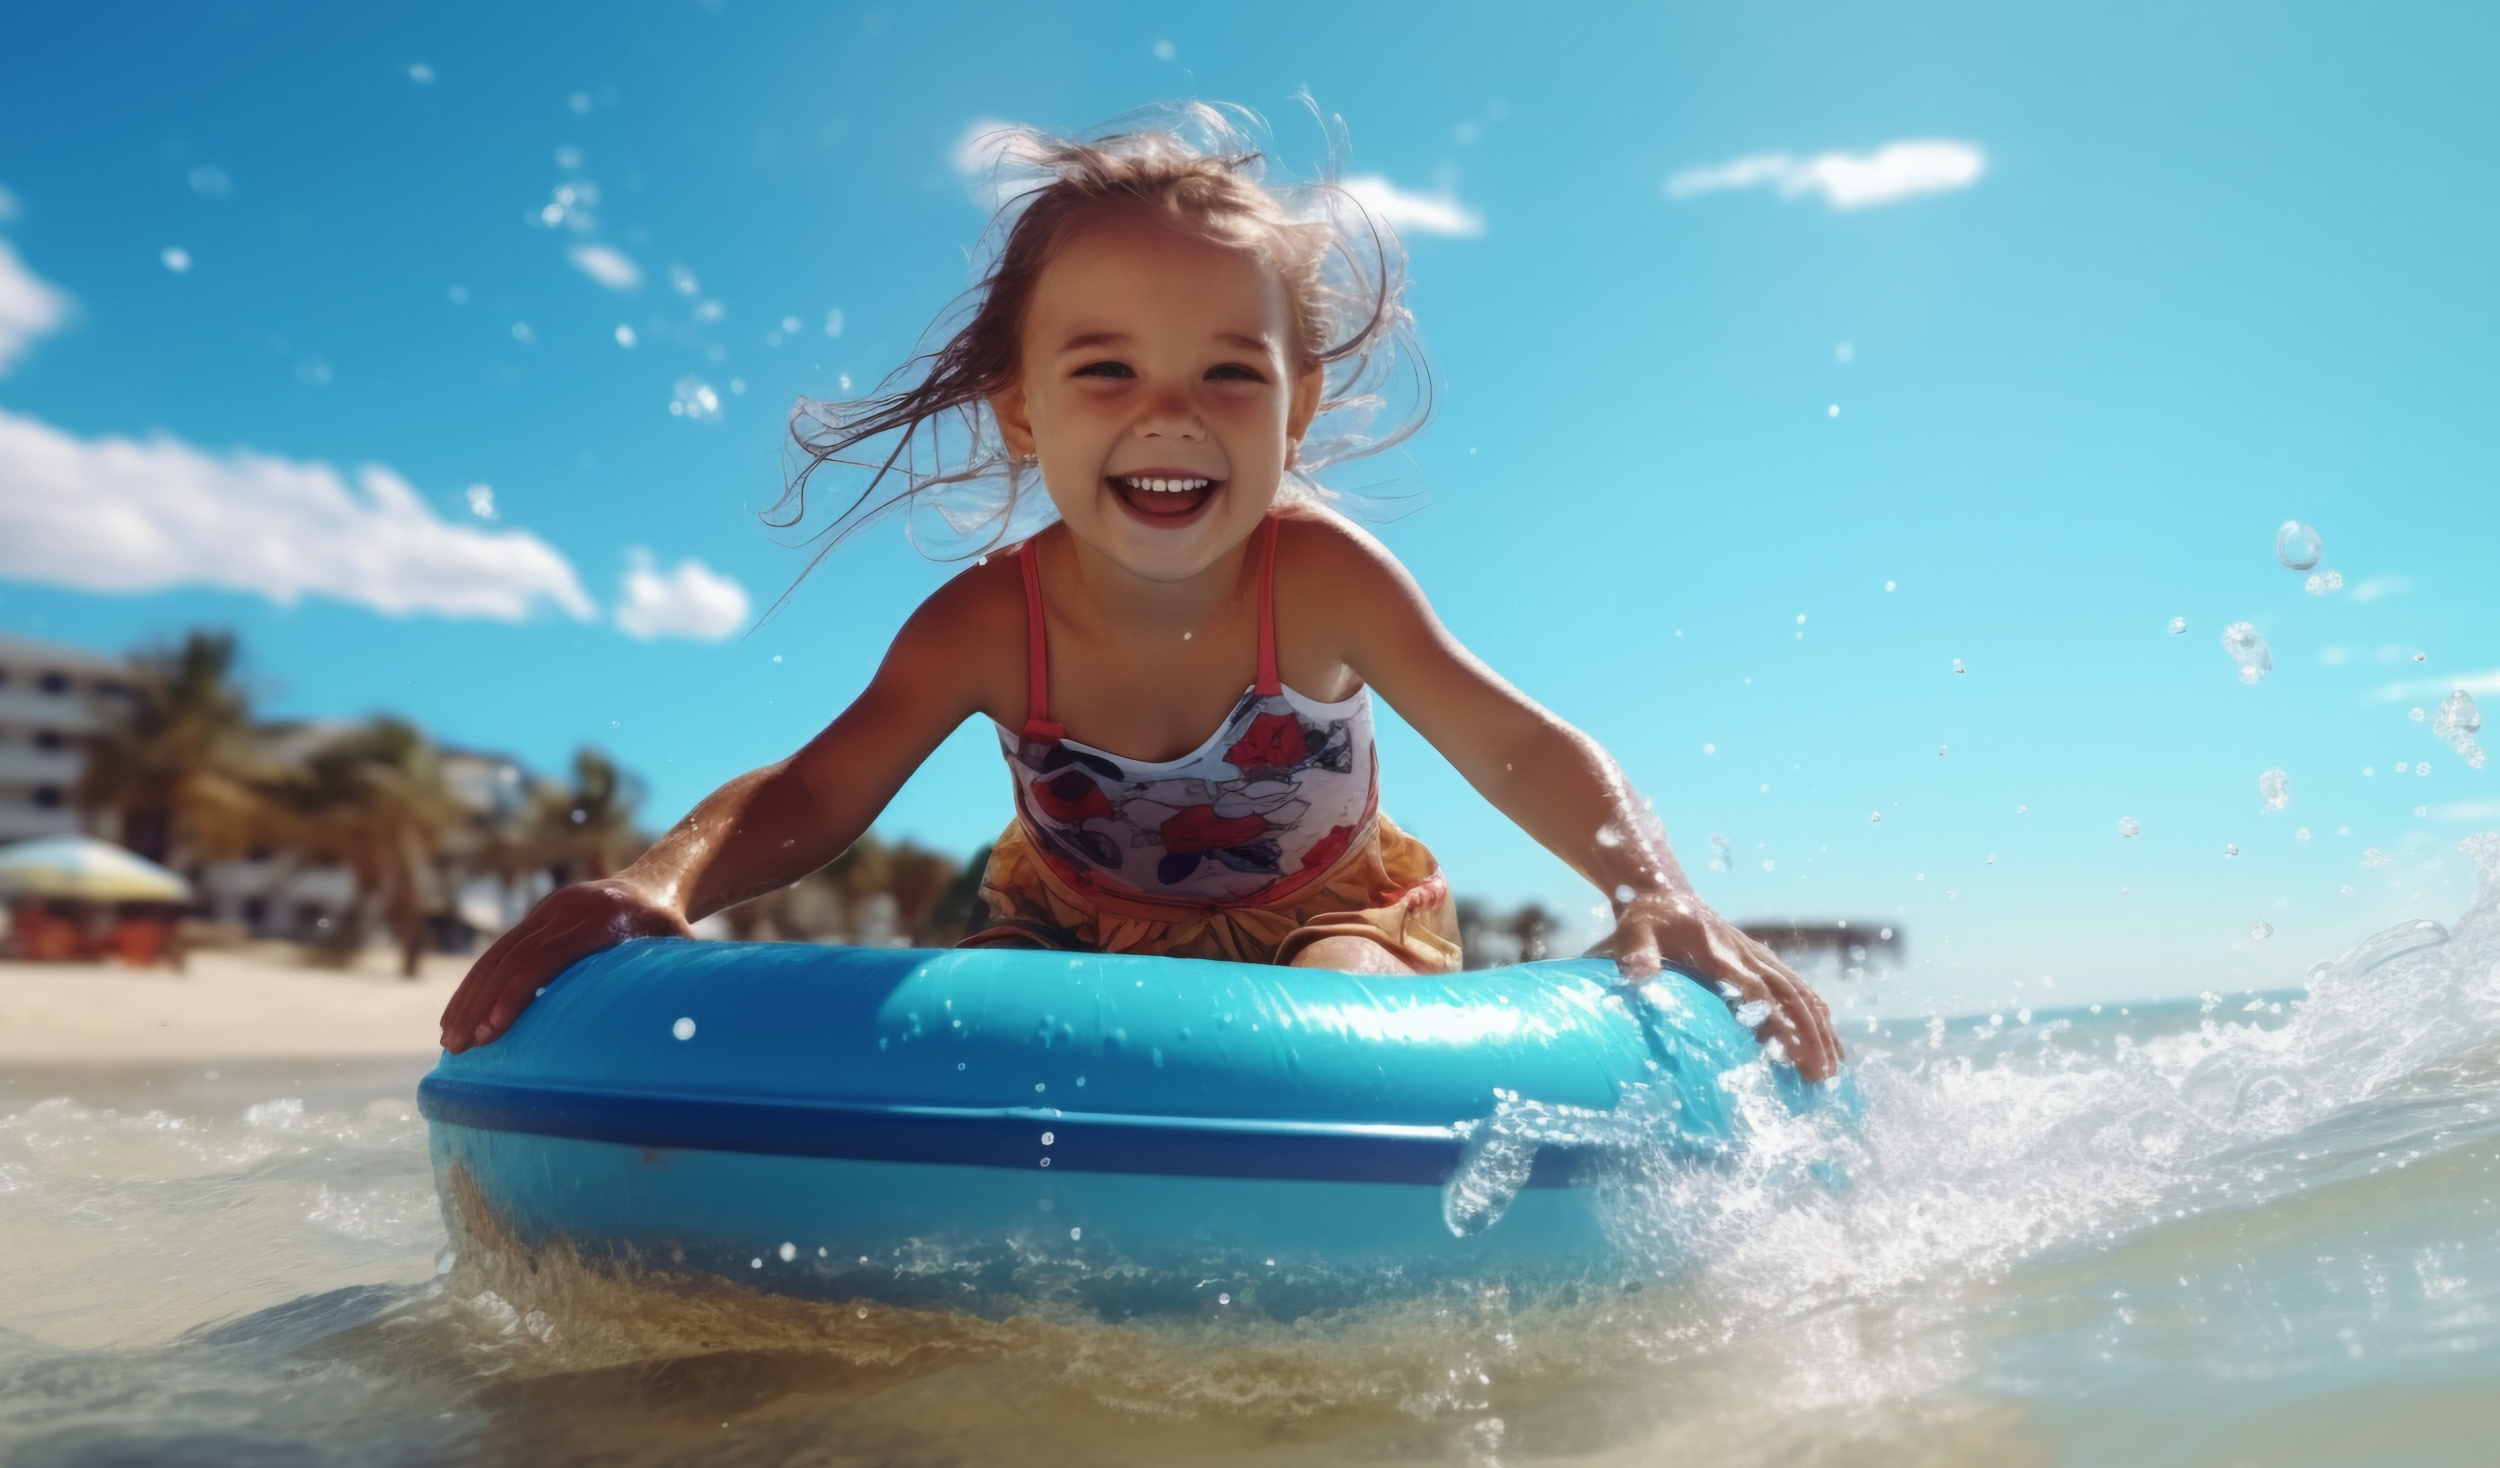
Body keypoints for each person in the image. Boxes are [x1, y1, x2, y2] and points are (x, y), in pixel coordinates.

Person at [438, 107, 1838, 1079]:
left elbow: (1512, 738)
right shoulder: (990, 620)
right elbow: (815, 794)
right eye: (1106, 370)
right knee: (975, 1023)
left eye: (1231, 374)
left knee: (1336, 1009)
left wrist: (1653, 891)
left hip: (1328, 915)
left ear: (1299, 414)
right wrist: (652, 883)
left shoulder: (1323, 580)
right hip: (1066, 919)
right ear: (1023, 413)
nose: (1170, 414)